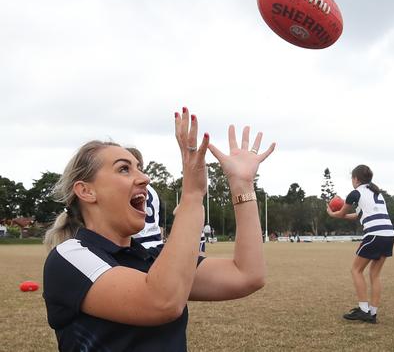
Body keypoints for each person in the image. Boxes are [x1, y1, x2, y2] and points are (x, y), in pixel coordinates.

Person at [42, 108, 275, 351]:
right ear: (86, 191)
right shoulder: (69, 258)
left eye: (139, 167)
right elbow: (162, 301)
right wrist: (192, 198)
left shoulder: (153, 258)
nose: (145, 178)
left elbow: (247, 275)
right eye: (124, 168)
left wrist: (242, 183)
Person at [327, 165, 394, 324]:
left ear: (356, 179)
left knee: (356, 270)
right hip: (388, 235)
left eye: (352, 178)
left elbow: (342, 213)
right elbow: (357, 215)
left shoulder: (355, 193)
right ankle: (372, 313)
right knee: (375, 274)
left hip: (374, 235)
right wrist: (341, 215)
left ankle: (364, 310)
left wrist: (332, 213)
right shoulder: (376, 192)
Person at [125, 147, 164, 250]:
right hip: (157, 243)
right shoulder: (152, 190)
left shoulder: (130, 188)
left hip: (139, 245)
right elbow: (159, 222)